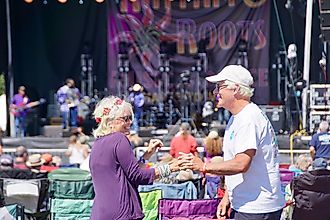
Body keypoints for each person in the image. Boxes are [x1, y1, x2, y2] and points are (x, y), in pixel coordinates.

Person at [179, 65, 285, 220]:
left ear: (235, 89)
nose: (215, 92)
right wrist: (228, 197)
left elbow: (241, 164)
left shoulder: (248, 119)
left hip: (256, 207)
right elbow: (237, 164)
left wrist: (203, 166)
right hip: (250, 204)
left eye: (219, 87)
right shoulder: (239, 117)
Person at [89, 96, 179, 220]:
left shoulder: (97, 144)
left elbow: (126, 173)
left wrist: (147, 155)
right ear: (110, 121)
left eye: (130, 118)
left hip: (101, 213)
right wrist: (171, 168)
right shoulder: (119, 139)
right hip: (121, 212)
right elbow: (137, 176)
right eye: (125, 119)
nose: (130, 122)